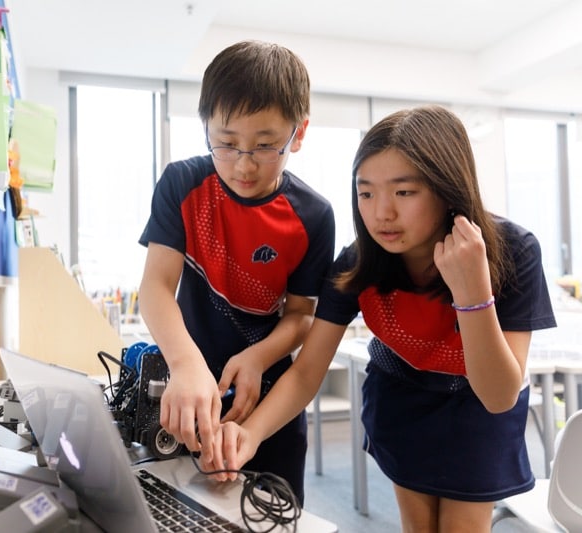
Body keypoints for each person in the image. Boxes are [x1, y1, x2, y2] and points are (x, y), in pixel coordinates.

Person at [215, 104, 557, 529]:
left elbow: (499, 395)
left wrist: (472, 292)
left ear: (448, 189)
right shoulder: (359, 264)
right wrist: (250, 434)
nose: (381, 213)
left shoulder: (512, 251)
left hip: (476, 411)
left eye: (404, 192)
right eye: (366, 192)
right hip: (402, 398)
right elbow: (306, 374)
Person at [137, 40, 336, 504]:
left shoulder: (313, 216)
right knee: (180, 508)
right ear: (205, 126)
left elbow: (302, 315)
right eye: (225, 143)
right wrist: (186, 365)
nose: (243, 164)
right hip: (185, 387)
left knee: (267, 512)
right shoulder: (183, 184)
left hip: (268, 397)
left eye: (266, 146)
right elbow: (155, 287)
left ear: (298, 133)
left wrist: (259, 357)